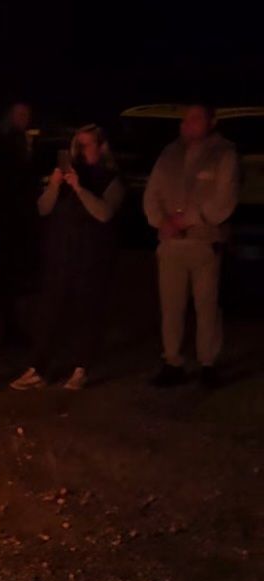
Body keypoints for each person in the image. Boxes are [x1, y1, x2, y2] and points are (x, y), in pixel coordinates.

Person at [11, 125, 125, 391]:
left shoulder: (110, 179)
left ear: (100, 146)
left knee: (85, 312)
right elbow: (43, 208)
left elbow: (104, 213)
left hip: (91, 257)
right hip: (60, 255)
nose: (81, 150)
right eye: (78, 145)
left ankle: (80, 367)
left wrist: (80, 189)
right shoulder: (65, 177)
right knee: (49, 311)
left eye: (86, 145)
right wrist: (54, 185)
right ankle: (38, 368)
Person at [143, 104, 239, 388]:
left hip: (204, 243)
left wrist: (187, 220)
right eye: (186, 119)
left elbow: (223, 201)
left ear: (212, 121)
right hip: (171, 245)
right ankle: (172, 360)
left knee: (206, 306)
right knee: (171, 306)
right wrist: (160, 222)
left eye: (196, 118)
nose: (189, 124)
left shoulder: (224, 154)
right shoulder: (170, 154)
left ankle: (208, 363)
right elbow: (152, 193)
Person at [0, 101, 41, 346]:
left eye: (28, 115)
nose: (25, 119)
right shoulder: (0, 145)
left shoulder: (21, 144)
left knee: (8, 282)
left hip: (14, 223)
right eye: (21, 114)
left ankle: (9, 330)